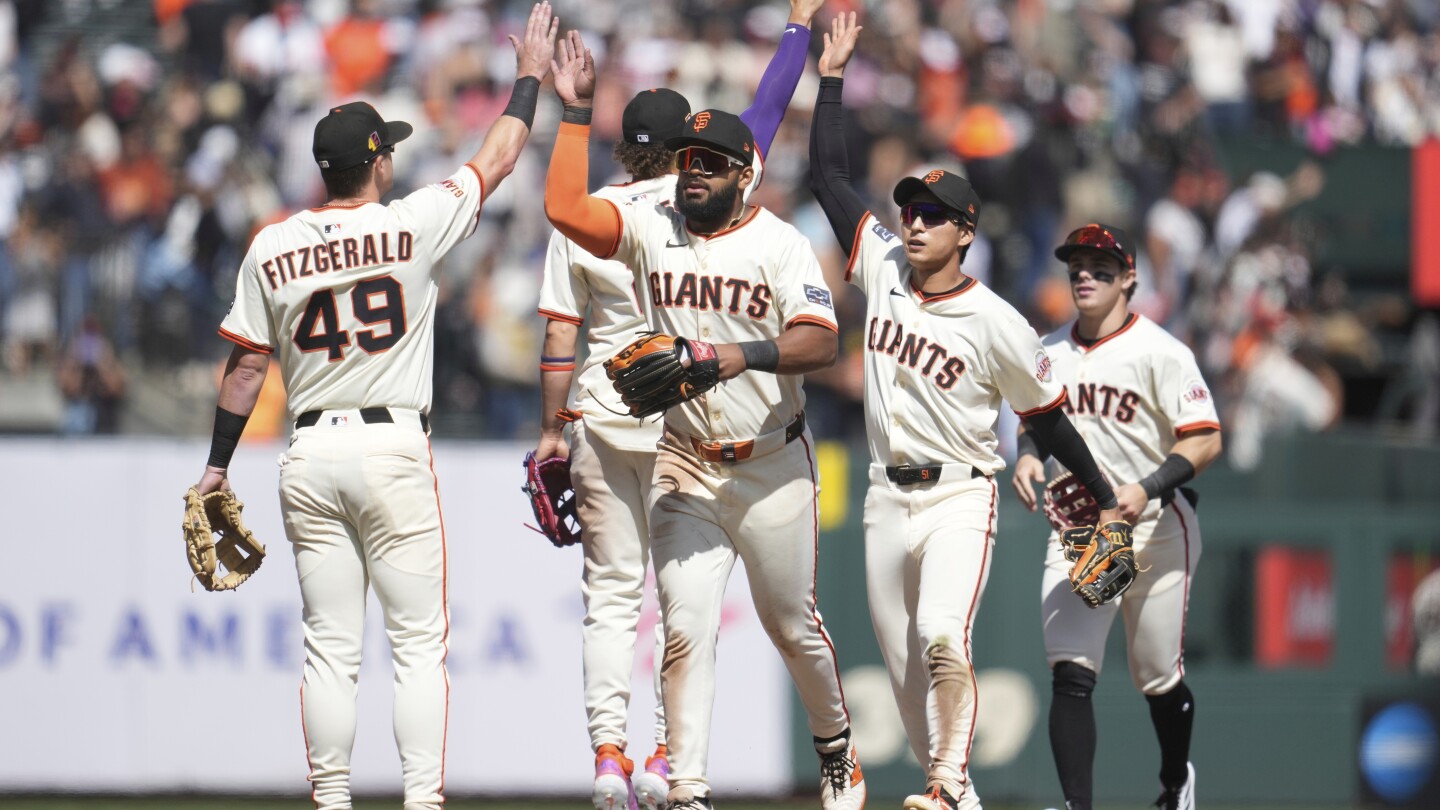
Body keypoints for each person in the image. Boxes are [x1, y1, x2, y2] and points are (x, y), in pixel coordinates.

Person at [189, 6, 559, 808]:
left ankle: (331, 800)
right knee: (418, 644)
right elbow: (498, 155)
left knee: (329, 649)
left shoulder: (272, 245)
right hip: (390, 446)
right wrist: (529, 77)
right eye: (386, 149)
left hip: (308, 452)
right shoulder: (411, 224)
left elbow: (246, 369)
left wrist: (217, 466)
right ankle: (421, 801)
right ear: (378, 163)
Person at [807, 15, 1127, 810]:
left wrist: (1103, 490)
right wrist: (832, 78)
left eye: (932, 215)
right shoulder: (882, 263)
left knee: (942, 637)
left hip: (959, 493)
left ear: (966, 231)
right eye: (910, 210)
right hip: (884, 496)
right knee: (906, 677)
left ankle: (947, 785)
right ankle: (959, 794)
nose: (914, 223)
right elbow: (827, 178)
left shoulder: (998, 323)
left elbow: (1046, 418)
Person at [542, 29, 864, 810]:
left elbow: (821, 342)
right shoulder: (652, 225)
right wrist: (577, 114)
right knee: (684, 629)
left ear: (745, 174)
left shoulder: (780, 245)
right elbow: (563, 209)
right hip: (684, 460)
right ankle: (686, 788)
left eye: (712, 163)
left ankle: (837, 749)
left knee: (793, 628)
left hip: (772, 464)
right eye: (688, 159)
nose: (694, 172)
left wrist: (732, 356)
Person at [1011, 223, 1223, 810]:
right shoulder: (1048, 351)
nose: (1085, 274)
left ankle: (1176, 783)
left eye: (1100, 266)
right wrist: (1027, 457)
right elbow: (1033, 423)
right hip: (1082, 531)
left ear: (1129, 277)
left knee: (1156, 676)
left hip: (1155, 528)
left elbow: (1206, 439)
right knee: (1071, 670)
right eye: (1077, 265)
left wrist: (1147, 487)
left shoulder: (1162, 351)